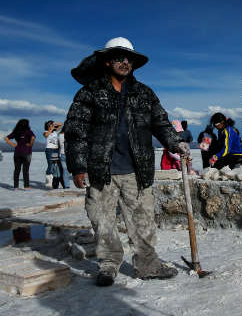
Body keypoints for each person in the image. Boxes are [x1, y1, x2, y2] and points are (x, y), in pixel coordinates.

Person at [65, 37, 189, 287]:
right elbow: (76, 130)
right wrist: (78, 167)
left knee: (142, 220)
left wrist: (176, 143)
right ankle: (109, 265)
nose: (125, 62)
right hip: (101, 170)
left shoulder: (144, 93)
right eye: (119, 58)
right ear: (108, 61)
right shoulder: (90, 92)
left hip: (137, 170)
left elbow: (161, 123)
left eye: (129, 58)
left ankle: (148, 265)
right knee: (102, 221)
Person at [4, 119, 35, 190]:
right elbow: (33, 138)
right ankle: (26, 186)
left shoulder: (16, 132)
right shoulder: (29, 131)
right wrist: (30, 144)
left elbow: (6, 138)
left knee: (17, 170)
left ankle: (16, 186)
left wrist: (13, 144)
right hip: (27, 152)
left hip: (17, 152)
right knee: (25, 170)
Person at [43, 120, 62, 189]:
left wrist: (54, 123)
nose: (52, 126)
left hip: (56, 150)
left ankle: (53, 181)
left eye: (52, 125)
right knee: (50, 164)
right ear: (48, 126)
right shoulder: (45, 132)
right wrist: (50, 129)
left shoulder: (55, 132)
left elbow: (61, 124)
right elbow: (46, 135)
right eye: (50, 125)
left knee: (55, 165)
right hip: (49, 150)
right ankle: (48, 180)